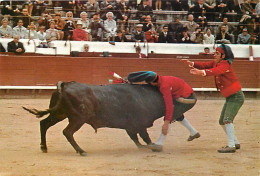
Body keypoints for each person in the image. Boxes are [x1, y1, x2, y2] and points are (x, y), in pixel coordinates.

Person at [182, 44, 244, 153]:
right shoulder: (217, 62)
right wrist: (193, 64)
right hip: (230, 97)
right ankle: (235, 142)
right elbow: (206, 65)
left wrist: (202, 73)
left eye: (217, 53)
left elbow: (216, 71)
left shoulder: (225, 64)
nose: (214, 55)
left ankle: (231, 145)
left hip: (236, 97)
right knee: (222, 121)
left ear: (223, 56)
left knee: (227, 120)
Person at [128, 71, 200, 152]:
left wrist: (166, 123)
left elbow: (169, 105)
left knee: (170, 117)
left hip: (187, 100)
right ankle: (193, 132)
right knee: (177, 114)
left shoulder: (164, 86)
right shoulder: (160, 79)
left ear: (152, 82)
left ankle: (159, 143)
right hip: (184, 96)